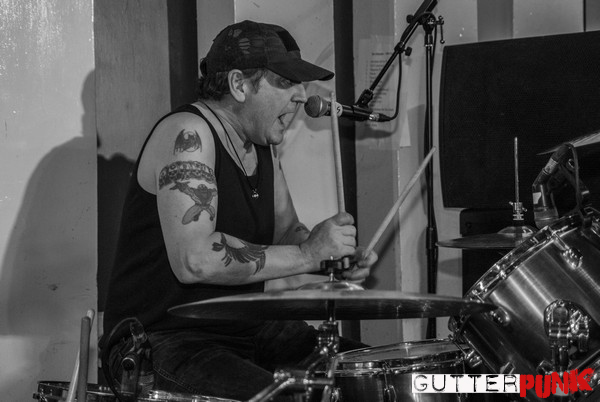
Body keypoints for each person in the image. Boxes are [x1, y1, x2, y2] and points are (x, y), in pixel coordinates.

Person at [102, 20, 377, 401]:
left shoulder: (262, 145)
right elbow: (195, 260)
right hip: (163, 339)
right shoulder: (188, 134)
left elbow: (287, 233)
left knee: (368, 376)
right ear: (239, 84)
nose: (301, 97)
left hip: (246, 329)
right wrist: (307, 254)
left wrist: (332, 256)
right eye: (285, 82)